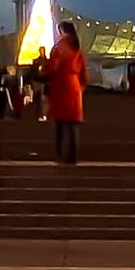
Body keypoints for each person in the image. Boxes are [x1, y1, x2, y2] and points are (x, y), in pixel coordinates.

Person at [43, 21, 88, 165]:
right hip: (74, 87)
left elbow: (52, 68)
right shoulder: (77, 49)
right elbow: (84, 74)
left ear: (62, 31)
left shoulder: (59, 48)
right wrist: (80, 87)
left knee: (59, 124)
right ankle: (73, 156)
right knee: (73, 124)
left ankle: (60, 155)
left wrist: (44, 61)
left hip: (61, 86)